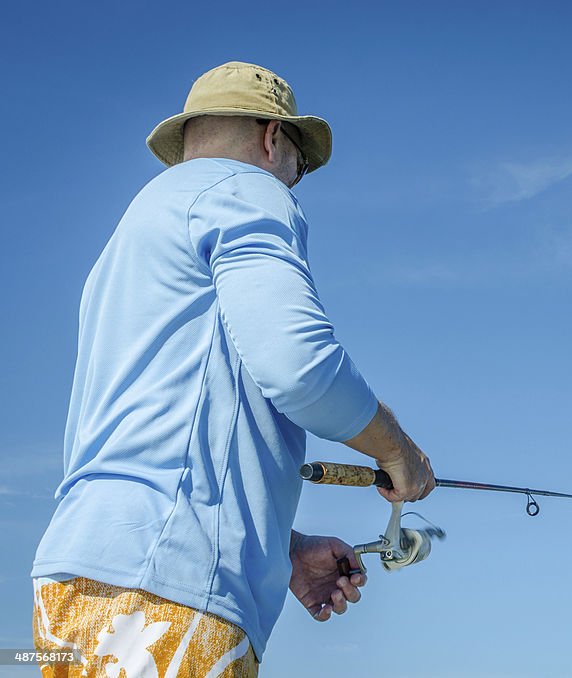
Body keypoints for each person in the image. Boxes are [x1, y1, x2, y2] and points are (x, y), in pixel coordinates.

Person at [31, 61, 435, 677]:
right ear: (274, 138)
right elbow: (300, 368)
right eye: (300, 168)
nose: (295, 184)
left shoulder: (133, 236)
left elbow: (168, 438)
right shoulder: (247, 189)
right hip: (167, 593)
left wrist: (284, 551)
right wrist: (397, 450)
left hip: (81, 587)